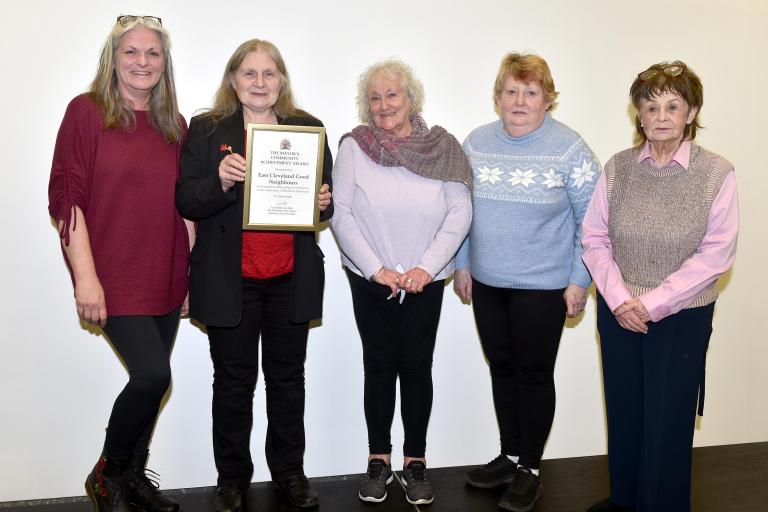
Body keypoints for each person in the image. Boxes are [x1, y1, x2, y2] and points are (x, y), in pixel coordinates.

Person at [175, 39, 332, 511]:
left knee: (288, 381)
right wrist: (220, 180)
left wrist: (324, 203)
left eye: (268, 73)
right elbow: (186, 200)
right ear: (233, 80)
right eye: (249, 73)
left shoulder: (308, 128)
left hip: (289, 276)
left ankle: (290, 473)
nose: (259, 83)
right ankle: (232, 480)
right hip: (230, 280)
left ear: (281, 80)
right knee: (233, 383)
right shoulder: (206, 131)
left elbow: (327, 201)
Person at [48, 15, 191, 512]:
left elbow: (185, 205)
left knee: (152, 386)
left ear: (164, 63)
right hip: (113, 277)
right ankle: (106, 475)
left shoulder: (175, 124)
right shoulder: (86, 113)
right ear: (113, 58)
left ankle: (132, 480)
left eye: (153, 53)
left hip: (167, 274)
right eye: (132, 52)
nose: (142, 62)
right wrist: (85, 278)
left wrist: (188, 273)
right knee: (153, 376)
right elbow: (68, 199)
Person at [581, 60, 738, 512]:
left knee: (668, 422)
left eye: (673, 105)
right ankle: (626, 501)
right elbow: (594, 238)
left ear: (692, 113)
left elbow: (717, 254)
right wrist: (619, 300)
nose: (662, 115)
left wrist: (651, 304)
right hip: (618, 313)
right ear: (639, 115)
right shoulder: (619, 168)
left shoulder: (716, 173)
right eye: (651, 106)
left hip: (681, 318)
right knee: (626, 412)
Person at [454, 52, 601, 512]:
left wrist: (581, 280)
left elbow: (593, 223)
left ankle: (531, 469)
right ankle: (511, 454)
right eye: (512, 91)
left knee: (534, 374)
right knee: (503, 369)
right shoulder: (475, 143)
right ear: (498, 97)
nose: (520, 100)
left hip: (545, 285)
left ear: (548, 99)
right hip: (487, 282)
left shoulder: (570, 150)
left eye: (531, 92)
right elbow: (459, 211)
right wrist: (462, 263)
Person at [330, 59, 472, 506]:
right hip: (370, 278)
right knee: (378, 366)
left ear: (412, 99)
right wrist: (378, 269)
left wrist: (424, 269)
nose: (384, 104)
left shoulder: (442, 146)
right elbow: (340, 212)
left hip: (424, 282)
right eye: (375, 97)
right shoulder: (354, 147)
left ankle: (415, 462)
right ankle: (378, 460)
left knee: (415, 367)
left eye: (393, 95)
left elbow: (460, 213)